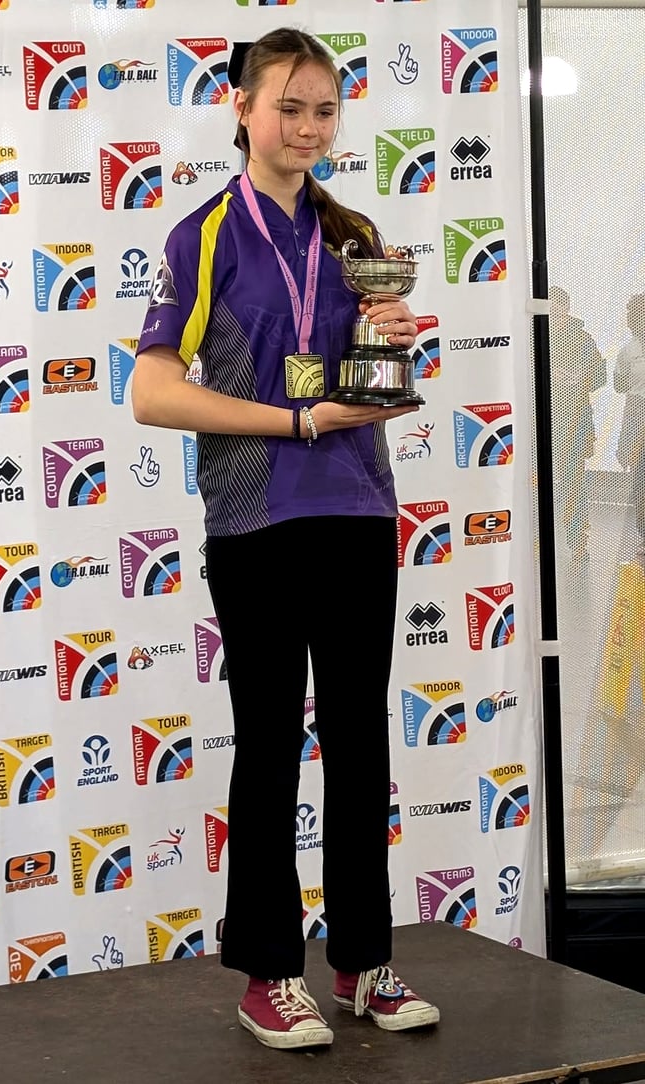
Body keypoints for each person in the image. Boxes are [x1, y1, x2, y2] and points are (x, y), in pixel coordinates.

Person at [132, 27, 439, 1051]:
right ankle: (269, 972)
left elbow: (344, 367)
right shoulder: (201, 235)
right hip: (257, 515)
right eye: (287, 106)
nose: (306, 128)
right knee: (267, 746)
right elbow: (152, 391)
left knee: (358, 742)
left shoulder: (351, 231)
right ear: (239, 106)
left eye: (322, 110)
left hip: (356, 509)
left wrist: (387, 342)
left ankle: (360, 959)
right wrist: (298, 422)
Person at [548, 286, 606, 563]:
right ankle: (537, 538)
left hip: (574, 420)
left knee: (573, 481)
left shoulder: (583, 339)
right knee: (536, 481)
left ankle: (577, 541)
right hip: (541, 420)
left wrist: (576, 378)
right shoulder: (535, 336)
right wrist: (549, 374)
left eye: (558, 307)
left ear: (566, 309)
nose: (554, 313)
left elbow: (600, 378)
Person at [613, 292, 645, 551]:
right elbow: (619, 386)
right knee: (639, 479)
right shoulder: (629, 350)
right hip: (636, 409)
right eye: (631, 315)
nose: (632, 319)